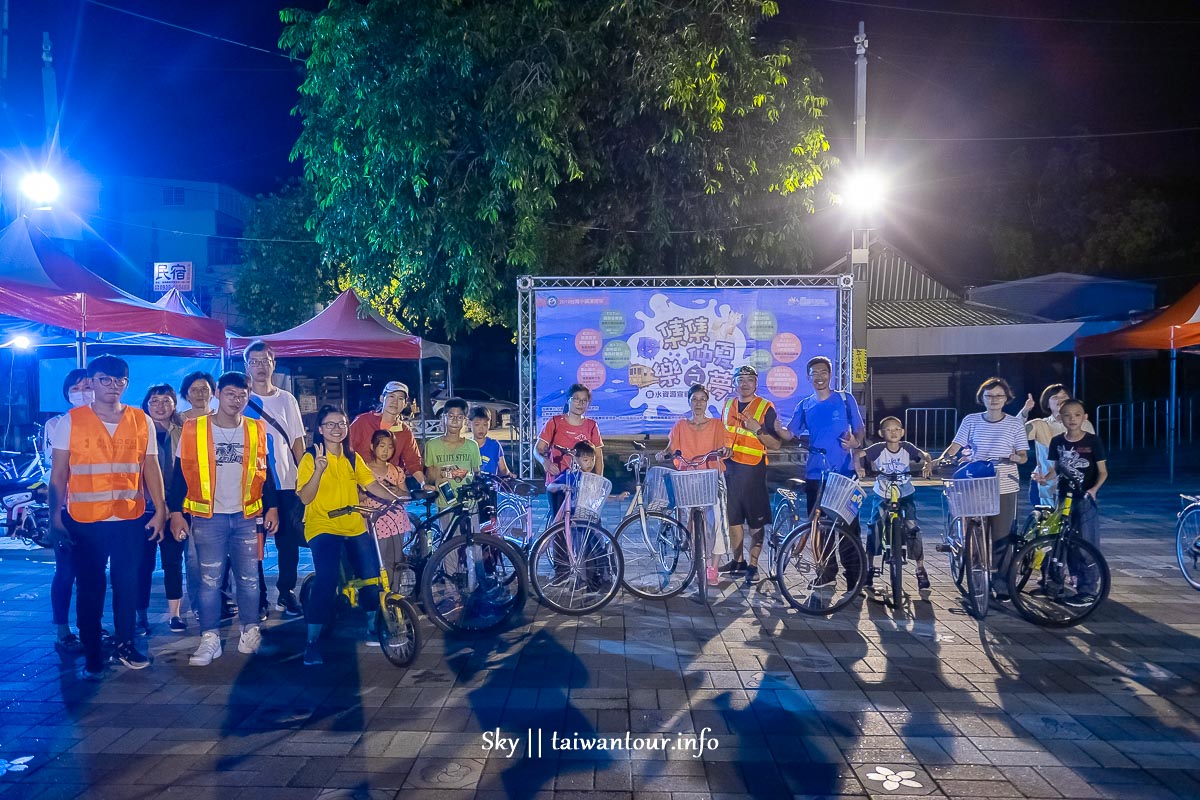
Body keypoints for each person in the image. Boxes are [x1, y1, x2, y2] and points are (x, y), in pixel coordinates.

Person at [48, 355, 166, 679]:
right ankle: (93, 653)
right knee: (90, 587)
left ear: (126, 383)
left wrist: (161, 509)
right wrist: (54, 518)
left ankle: (126, 643)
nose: (113, 387)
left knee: (127, 584)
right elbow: (58, 475)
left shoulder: (141, 420)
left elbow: (150, 467)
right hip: (85, 520)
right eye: (105, 380)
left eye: (119, 381)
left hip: (130, 517)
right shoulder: (70, 422)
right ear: (92, 382)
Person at [168, 372, 279, 666]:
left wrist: (272, 507)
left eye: (242, 395)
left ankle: (250, 630)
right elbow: (179, 474)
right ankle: (209, 638)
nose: (237, 400)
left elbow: (265, 473)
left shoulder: (256, 429)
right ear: (218, 394)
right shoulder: (194, 429)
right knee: (208, 580)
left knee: (250, 578)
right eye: (230, 394)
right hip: (207, 517)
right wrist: (175, 512)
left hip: (246, 516)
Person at [296, 405, 396, 665]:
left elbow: (371, 484)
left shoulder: (352, 457)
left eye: (341, 423)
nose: (337, 429)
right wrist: (318, 469)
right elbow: (306, 497)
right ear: (320, 429)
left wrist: (397, 498)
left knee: (371, 574)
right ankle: (311, 642)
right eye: (330, 424)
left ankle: (372, 626)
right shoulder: (310, 457)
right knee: (327, 579)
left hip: (353, 524)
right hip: (322, 525)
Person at [776, 356, 865, 588]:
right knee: (820, 528)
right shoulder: (805, 406)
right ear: (808, 377)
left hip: (844, 475)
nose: (819, 377)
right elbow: (789, 434)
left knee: (849, 528)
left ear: (831, 374)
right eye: (814, 373)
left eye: (823, 372)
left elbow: (859, 430)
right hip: (816, 474)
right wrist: (771, 424)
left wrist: (855, 442)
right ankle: (826, 574)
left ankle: (855, 580)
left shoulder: (845, 400)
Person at [939, 377, 1029, 593]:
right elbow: (955, 446)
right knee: (976, 531)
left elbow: (1024, 455)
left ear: (1006, 398)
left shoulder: (1014, 423)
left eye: (999, 395)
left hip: (1005, 483)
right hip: (976, 482)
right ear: (982, 398)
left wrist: (1017, 458)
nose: (994, 399)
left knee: (1002, 535)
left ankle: (1001, 582)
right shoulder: (971, 420)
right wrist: (942, 458)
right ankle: (977, 573)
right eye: (989, 396)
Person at [242, 341, 307, 618]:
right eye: (254, 362)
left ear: (273, 364)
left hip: (285, 482)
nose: (259, 366)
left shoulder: (286, 400)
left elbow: (297, 441)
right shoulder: (239, 399)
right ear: (246, 365)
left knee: (288, 542)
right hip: (249, 485)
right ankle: (258, 597)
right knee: (252, 542)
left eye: (264, 361)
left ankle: (286, 591)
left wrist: (304, 476)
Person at [1034, 398, 1107, 604]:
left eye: (1077, 415)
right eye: (1067, 415)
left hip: (1084, 499)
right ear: (1061, 417)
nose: (1072, 419)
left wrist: (1093, 489)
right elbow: (1056, 468)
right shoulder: (1057, 441)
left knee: (1085, 544)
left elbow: (1103, 472)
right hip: (1062, 498)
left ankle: (1088, 590)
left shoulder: (1093, 441)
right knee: (1060, 542)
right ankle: (1055, 585)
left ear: (1084, 417)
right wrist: (1044, 478)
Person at [716, 365, 782, 582]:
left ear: (756, 383)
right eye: (740, 379)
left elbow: (775, 444)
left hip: (753, 470)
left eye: (749, 379)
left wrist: (758, 429)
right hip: (730, 469)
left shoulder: (765, 407)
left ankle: (753, 565)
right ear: (735, 383)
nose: (744, 384)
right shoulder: (727, 405)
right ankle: (738, 561)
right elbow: (724, 434)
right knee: (733, 518)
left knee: (755, 522)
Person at [662, 384, 730, 587]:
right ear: (689, 402)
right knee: (684, 520)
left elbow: (726, 447)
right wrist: (663, 454)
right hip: (688, 478)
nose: (698, 403)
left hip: (711, 476)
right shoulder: (681, 425)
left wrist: (726, 451)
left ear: (707, 402)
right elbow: (671, 448)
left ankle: (713, 566)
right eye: (695, 399)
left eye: (702, 399)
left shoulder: (717, 425)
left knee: (717, 519)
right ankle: (695, 556)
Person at [44, 368, 91, 654]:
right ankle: (62, 628)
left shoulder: (110, 421)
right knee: (66, 572)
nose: (82, 390)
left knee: (92, 573)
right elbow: (58, 469)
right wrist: (55, 514)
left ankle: (90, 624)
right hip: (68, 509)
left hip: (99, 511)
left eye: (87, 385)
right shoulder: (57, 423)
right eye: (76, 386)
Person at [139, 384, 192, 635]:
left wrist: (175, 508)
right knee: (141, 563)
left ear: (174, 405)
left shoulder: (184, 432)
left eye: (166, 401)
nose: (160, 405)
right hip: (144, 509)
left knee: (173, 561)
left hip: (177, 509)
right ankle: (140, 614)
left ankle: (175, 614)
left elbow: (188, 471)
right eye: (154, 400)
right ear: (146, 404)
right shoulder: (138, 431)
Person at [859, 417, 931, 591]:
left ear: (903, 432)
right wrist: (858, 466)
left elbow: (924, 454)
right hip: (882, 492)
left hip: (904, 492)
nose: (894, 432)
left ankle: (920, 568)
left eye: (897, 429)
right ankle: (871, 567)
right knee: (875, 525)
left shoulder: (907, 447)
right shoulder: (878, 449)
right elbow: (858, 454)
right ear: (881, 433)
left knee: (912, 525)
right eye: (889, 429)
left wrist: (927, 462)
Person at [1021, 383, 1095, 507]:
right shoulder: (1039, 424)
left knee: (1075, 524)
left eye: (1064, 397)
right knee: (1044, 523)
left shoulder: (1084, 424)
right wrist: (1025, 411)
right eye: (1055, 397)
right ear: (1047, 403)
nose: (1060, 400)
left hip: (1076, 486)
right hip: (1045, 484)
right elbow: (1013, 433)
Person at [535, 384, 604, 515]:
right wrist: (545, 462)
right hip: (558, 483)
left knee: (587, 526)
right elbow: (537, 450)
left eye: (584, 400)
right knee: (559, 526)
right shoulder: (555, 422)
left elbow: (599, 456)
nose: (580, 403)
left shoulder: (591, 425)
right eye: (576, 399)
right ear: (569, 400)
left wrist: (597, 482)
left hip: (583, 485)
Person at [348, 381, 428, 490]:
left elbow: (413, 461)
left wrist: (424, 483)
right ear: (382, 398)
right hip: (361, 484)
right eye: (391, 396)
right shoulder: (363, 421)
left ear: (405, 404)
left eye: (400, 398)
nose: (395, 402)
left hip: (390, 486)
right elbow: (346, 450)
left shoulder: (404, 431)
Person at [361, 429, 413, 572]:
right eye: (381, 445)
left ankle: (395, 592)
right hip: (375, 522)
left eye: (390, 447)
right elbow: (357, 497)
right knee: (379, 562)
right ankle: (380, 593)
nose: (386, 450)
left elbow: (407, 497)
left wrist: (398, 491)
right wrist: (373, 489)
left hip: (397, 522)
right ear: (373, 447)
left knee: (397, 562)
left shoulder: (396, 471)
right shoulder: (364, 470)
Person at [423, 398, 482, 507]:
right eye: (451, 416)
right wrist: (427, 485)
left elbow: (477, 473)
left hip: (469, 504)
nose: (455, 421)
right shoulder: (431, 445)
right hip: (445, 504)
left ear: (465, 420)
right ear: (443, 417)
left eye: (459, 417)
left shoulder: (472, 446)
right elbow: (430, 475)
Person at [470, 406, 511, 477]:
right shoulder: (465, 446)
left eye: (485, 425)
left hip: (491, 486)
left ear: (489, 424)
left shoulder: (494, 445)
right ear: (469, 424)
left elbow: (503, 469)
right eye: (477, 425)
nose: (481, 428)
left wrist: (508, 475)